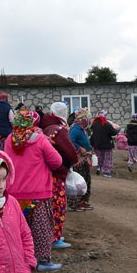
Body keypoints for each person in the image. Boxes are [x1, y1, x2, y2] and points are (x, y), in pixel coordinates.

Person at [3, 110, 63, 272]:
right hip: (38, 194)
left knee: (19, 229)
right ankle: (42, 260)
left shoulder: (10, 139)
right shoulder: (40, 139)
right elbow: (57, 162)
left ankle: (21, 259)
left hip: (15, 193)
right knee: (41, 228)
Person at [40, 102, 79, 250]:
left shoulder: (45, 128)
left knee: (49, 206)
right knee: (58, 206)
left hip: (46, 173)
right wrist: (71, 162)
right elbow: (70, 153)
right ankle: (54, 237)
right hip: (58, 172)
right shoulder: (59, 130)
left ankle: (51, 234)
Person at [68, 108, 94, 212]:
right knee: (78, 182)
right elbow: (70, 142)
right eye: (86, 117)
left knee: (86, 180)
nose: (88, 120)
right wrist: (79, 148)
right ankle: (75, 203)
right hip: (78, 161)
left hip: (84, 159)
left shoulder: (81, 129)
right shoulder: (75, 129)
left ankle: (83, 200)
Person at [90, 109, 119, 178]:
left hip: (97, 144)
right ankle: (106, 172)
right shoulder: (106, 124)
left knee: (99, 157)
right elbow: (113, 132)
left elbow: (91, 132)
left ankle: (99, 168)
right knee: (107, 158)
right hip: (107, 144)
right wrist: (117, 129)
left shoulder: (94, 124)